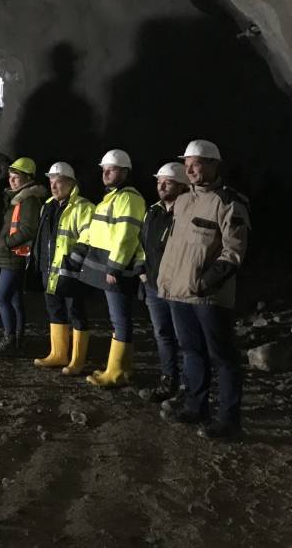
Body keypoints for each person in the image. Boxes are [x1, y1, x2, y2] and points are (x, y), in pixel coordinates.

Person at [159, 140, 250, 440]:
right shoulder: (183, 200)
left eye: (196, 163)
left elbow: (233, 253)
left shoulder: (228, 202)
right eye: (186, 164)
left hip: (209, 297)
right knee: (191, 352)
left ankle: (229, 421)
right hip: (178, 294)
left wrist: (203, 283)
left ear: (213, 164)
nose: (189, 169)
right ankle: (196, 407)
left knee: (222, 357)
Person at [67, 149, 146, 388]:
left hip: (116, 269)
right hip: (108, 267)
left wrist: (115, 267)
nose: (106, 173)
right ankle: (124, 368)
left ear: (125, 172)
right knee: (118, 317)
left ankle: (115, 372)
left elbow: (126, 236)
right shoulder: (111, 198)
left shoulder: (128, 199)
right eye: (104, 169)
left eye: (112, 169)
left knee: (119, 319)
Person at [30, 163, 95, 373]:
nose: (53, 186)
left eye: (58, 182)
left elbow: (88, 236)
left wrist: (73, 261)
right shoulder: (48, 205)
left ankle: (77, 361)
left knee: (76, 312)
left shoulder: (83, 207)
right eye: (51, 181)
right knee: (55, 310)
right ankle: (58, 354)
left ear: (71, 183)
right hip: (50, 270)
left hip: (71, 272)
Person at [138, 162, 189, 403]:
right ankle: (169, 381)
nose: (162, 186)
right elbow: (143, 243)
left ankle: (189, 387)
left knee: (185, 337)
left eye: (168, 182)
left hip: (179, 287)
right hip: (153, 285)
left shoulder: (188, 212)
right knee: (162, 334)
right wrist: (141, 271)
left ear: (182, 186)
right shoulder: (153, 212)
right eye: (159, 181)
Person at [0, 157, 46, 357]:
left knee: (1, 296)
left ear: (28, 178)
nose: (11, 180)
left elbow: (29, 229)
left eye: (16, 177)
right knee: (14, 299)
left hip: (14, 256)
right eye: (10, 177)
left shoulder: (28, 200)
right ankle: (18, 340)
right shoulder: (16, 198)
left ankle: (9, 339)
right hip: (12, 255)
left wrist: (5, 243)